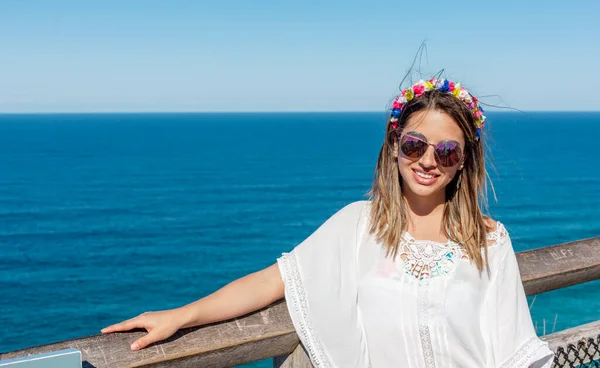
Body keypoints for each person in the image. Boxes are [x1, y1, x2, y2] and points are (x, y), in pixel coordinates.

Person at [102, 77, 555, 367]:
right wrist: (181, 316)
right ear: (395, 146)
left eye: (447, 151)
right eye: (416, 145)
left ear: (463, 163)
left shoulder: (489, 240)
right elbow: (270, 282)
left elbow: (514, 350)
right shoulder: (359, 227)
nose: (428, 161)